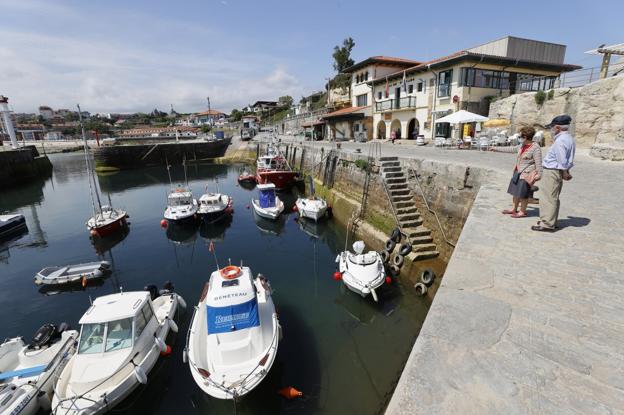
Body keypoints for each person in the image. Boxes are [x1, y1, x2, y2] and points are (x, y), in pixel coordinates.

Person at [531, 115, 575, 232]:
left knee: (548, 197)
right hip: (556, 170)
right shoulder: (568, 138)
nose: (551, 130)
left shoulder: (560, 140)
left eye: (552, 127)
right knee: (553, 197)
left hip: (552, 171)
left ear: (557, 127)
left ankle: (547, 224)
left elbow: (562, 160)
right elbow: (566, 159)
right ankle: (551, 220)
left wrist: (565, 172)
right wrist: (566, 171)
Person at [491, 126, 543, 218]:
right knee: (515, 192)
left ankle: (522, 212)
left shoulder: (535, 147)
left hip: (526, 174)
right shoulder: (522, 145)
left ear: (525, 137)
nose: (519, 137)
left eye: (520, 136)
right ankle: (514, 209)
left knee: (523, 194)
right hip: (517, 172)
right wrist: (495, 148)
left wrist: (539, 174)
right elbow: (511, 149)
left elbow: (538, 162)